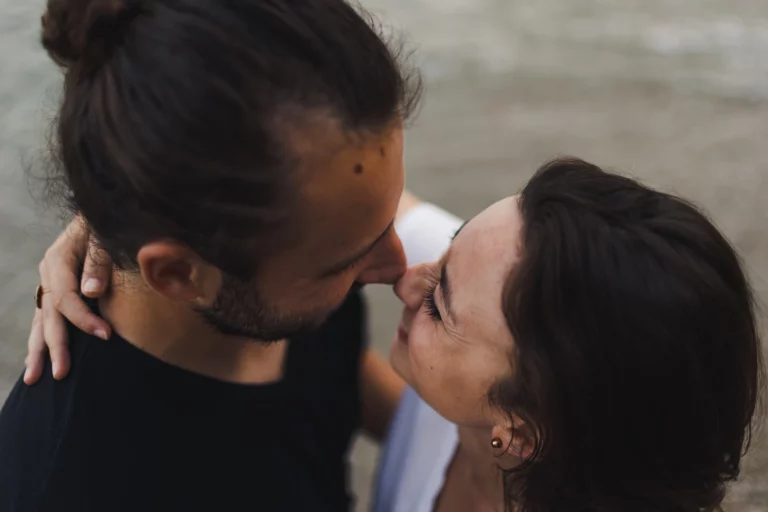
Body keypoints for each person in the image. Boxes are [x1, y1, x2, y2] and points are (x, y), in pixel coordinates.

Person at [0, 0, 420, 510]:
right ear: (178, 274)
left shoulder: (306, 243)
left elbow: (332, 383)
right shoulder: (76, 485)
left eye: (388, 219)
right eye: (347, 262)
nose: (398, 268)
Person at [375, 158, 764, 511]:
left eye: (437, 307)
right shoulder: (485, 279)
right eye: (449, 245)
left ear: (521, 436)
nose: (405, 280)